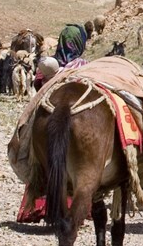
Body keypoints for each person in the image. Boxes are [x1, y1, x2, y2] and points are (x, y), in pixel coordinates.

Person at [17, 24, 89, 224]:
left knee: (41, 159)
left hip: (47, 115)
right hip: (79, 118)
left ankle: (39, 206)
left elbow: (37, 85)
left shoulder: (50, 64)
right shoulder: (85, 66)